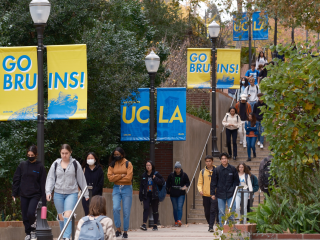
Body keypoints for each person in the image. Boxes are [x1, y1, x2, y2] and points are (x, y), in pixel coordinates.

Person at [45, 144, 89, 240]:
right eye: (62, 153)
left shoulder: (75, 164)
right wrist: (48, 192)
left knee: (68, 215)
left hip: (72, 193)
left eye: (66, 153)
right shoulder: (55, 164)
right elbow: (50, 179)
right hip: (58, 194)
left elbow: (81, 179)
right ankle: (64, 235)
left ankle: (66, 237)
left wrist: (86, 193)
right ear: (60, 153)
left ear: (70, 153)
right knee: (61, 216)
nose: (64, 155)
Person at [12, 146, 47, 240]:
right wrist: (14, 193)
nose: (30, 156)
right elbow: (16, 179)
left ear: (36, 155)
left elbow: (43, 183)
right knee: (24, 215)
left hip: (35, 194)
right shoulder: (22, 165)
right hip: (23, 194)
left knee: (31, 213)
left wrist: (44, 201)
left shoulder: (40, 167)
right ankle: (28, 233)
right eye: (29, 155)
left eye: (32, 155)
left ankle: (33, 230)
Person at [107, 147, 133, 239]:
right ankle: (118, 229)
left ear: (122, 154)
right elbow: (110, 178)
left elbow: (129, 178)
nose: (116, 156)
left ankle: (125, 231)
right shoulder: (112, 164)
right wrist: (122, 175)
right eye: (115, 154)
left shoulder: (128, 164)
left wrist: (116, 176)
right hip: (116, 188)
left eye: (118, 154)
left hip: (127, 188)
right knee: (115, 208)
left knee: (126, 211)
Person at [210, 153, 240, 226]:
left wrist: (233, 189)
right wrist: (212, 193)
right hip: (220, 194)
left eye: (225, 158)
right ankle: (222, 227)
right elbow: (213, 182)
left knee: (232, 210)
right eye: (222, 159)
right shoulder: (217, 170)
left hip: (231, 194)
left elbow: (236, 181)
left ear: (228, 159)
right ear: (220, 160)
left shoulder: (233, 169)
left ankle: (231, 227)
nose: (224, 160)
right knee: (221, 212)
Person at [139, 161, 165, 231]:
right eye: (147, 165)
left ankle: (155, 225)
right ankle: (144, 224)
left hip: (154, 195)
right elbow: (141, 186)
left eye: (149, 165)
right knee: (146, 208)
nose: (148, 166)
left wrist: (155, 179)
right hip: (146, 195)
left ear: (152, 166)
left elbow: (162, 182)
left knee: (155, 210)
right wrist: (140, 196)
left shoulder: (156, 174)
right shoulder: (144, 175)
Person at [197, 155, 218, 232]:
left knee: (213, 210)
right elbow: (199, 183)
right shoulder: (202, 171)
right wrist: (200, 190)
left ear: (212, 161)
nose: (208, 163)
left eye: (209, 161)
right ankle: (210, 224)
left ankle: (211, 226)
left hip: (215, 195)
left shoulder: (217, 170)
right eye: (207, 161)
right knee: (207, 212)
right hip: (205, 195)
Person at [166, 161, 190, 227]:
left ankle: (179, 220)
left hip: (181, 193)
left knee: (179, 207)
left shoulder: (184, 175)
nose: (177, 170)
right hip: (173, 193)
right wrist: (168, 192)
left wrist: (185, 186)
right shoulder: (171, 175)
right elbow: (167, 184)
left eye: (178, 168)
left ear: (180, 169)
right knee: (175, 208)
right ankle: (176, 221)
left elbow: (188, 182)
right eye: (176, 168)